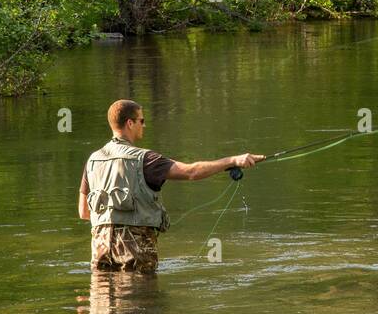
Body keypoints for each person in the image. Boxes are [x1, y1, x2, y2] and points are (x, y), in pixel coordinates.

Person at [79, 99, 264, 272]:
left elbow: (84, 213)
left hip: (100, 250)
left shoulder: (93, 160)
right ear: (130, 123)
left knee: (102, 302)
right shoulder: (146, 159)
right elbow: (191, 172)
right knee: (142, 303)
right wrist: (233, 160)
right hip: (135, 254)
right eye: (141, 121)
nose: (144, 125)